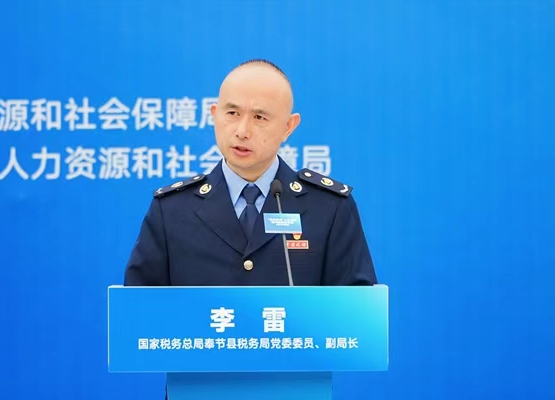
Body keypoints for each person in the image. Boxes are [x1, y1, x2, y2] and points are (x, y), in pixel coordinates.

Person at [124, 59, 377, 287]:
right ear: (214, 115)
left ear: (288, 127)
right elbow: (139, 310)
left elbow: (354, 313)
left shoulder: (329, 208)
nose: (242, 131)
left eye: (259, 117)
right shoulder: (171, 210)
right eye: (232, 113)